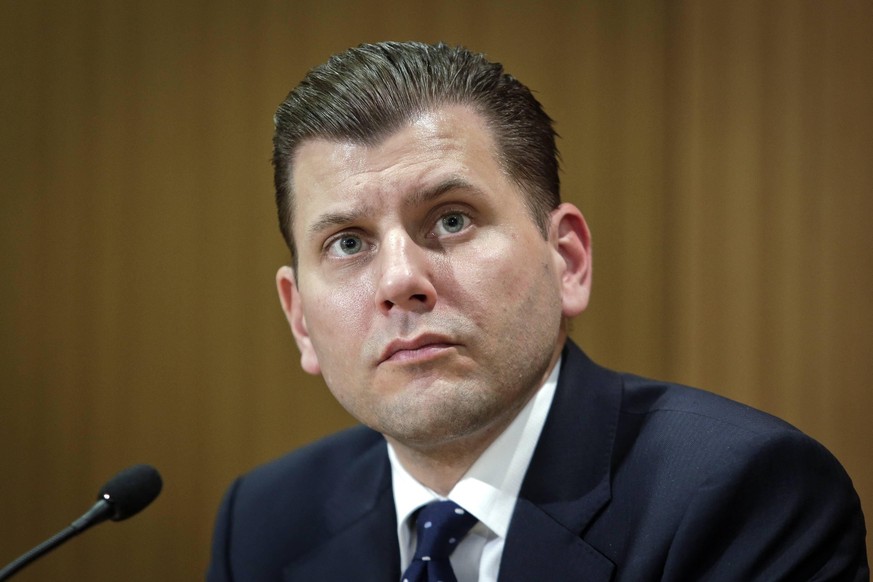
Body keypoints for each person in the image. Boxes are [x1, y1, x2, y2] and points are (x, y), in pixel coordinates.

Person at [207, 41, 868, 581]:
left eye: (452, 219)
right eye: (347, 243)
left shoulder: (740, 495)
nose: (400, 279)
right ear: (299, 319)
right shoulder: (265, 521)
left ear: (567, 260)